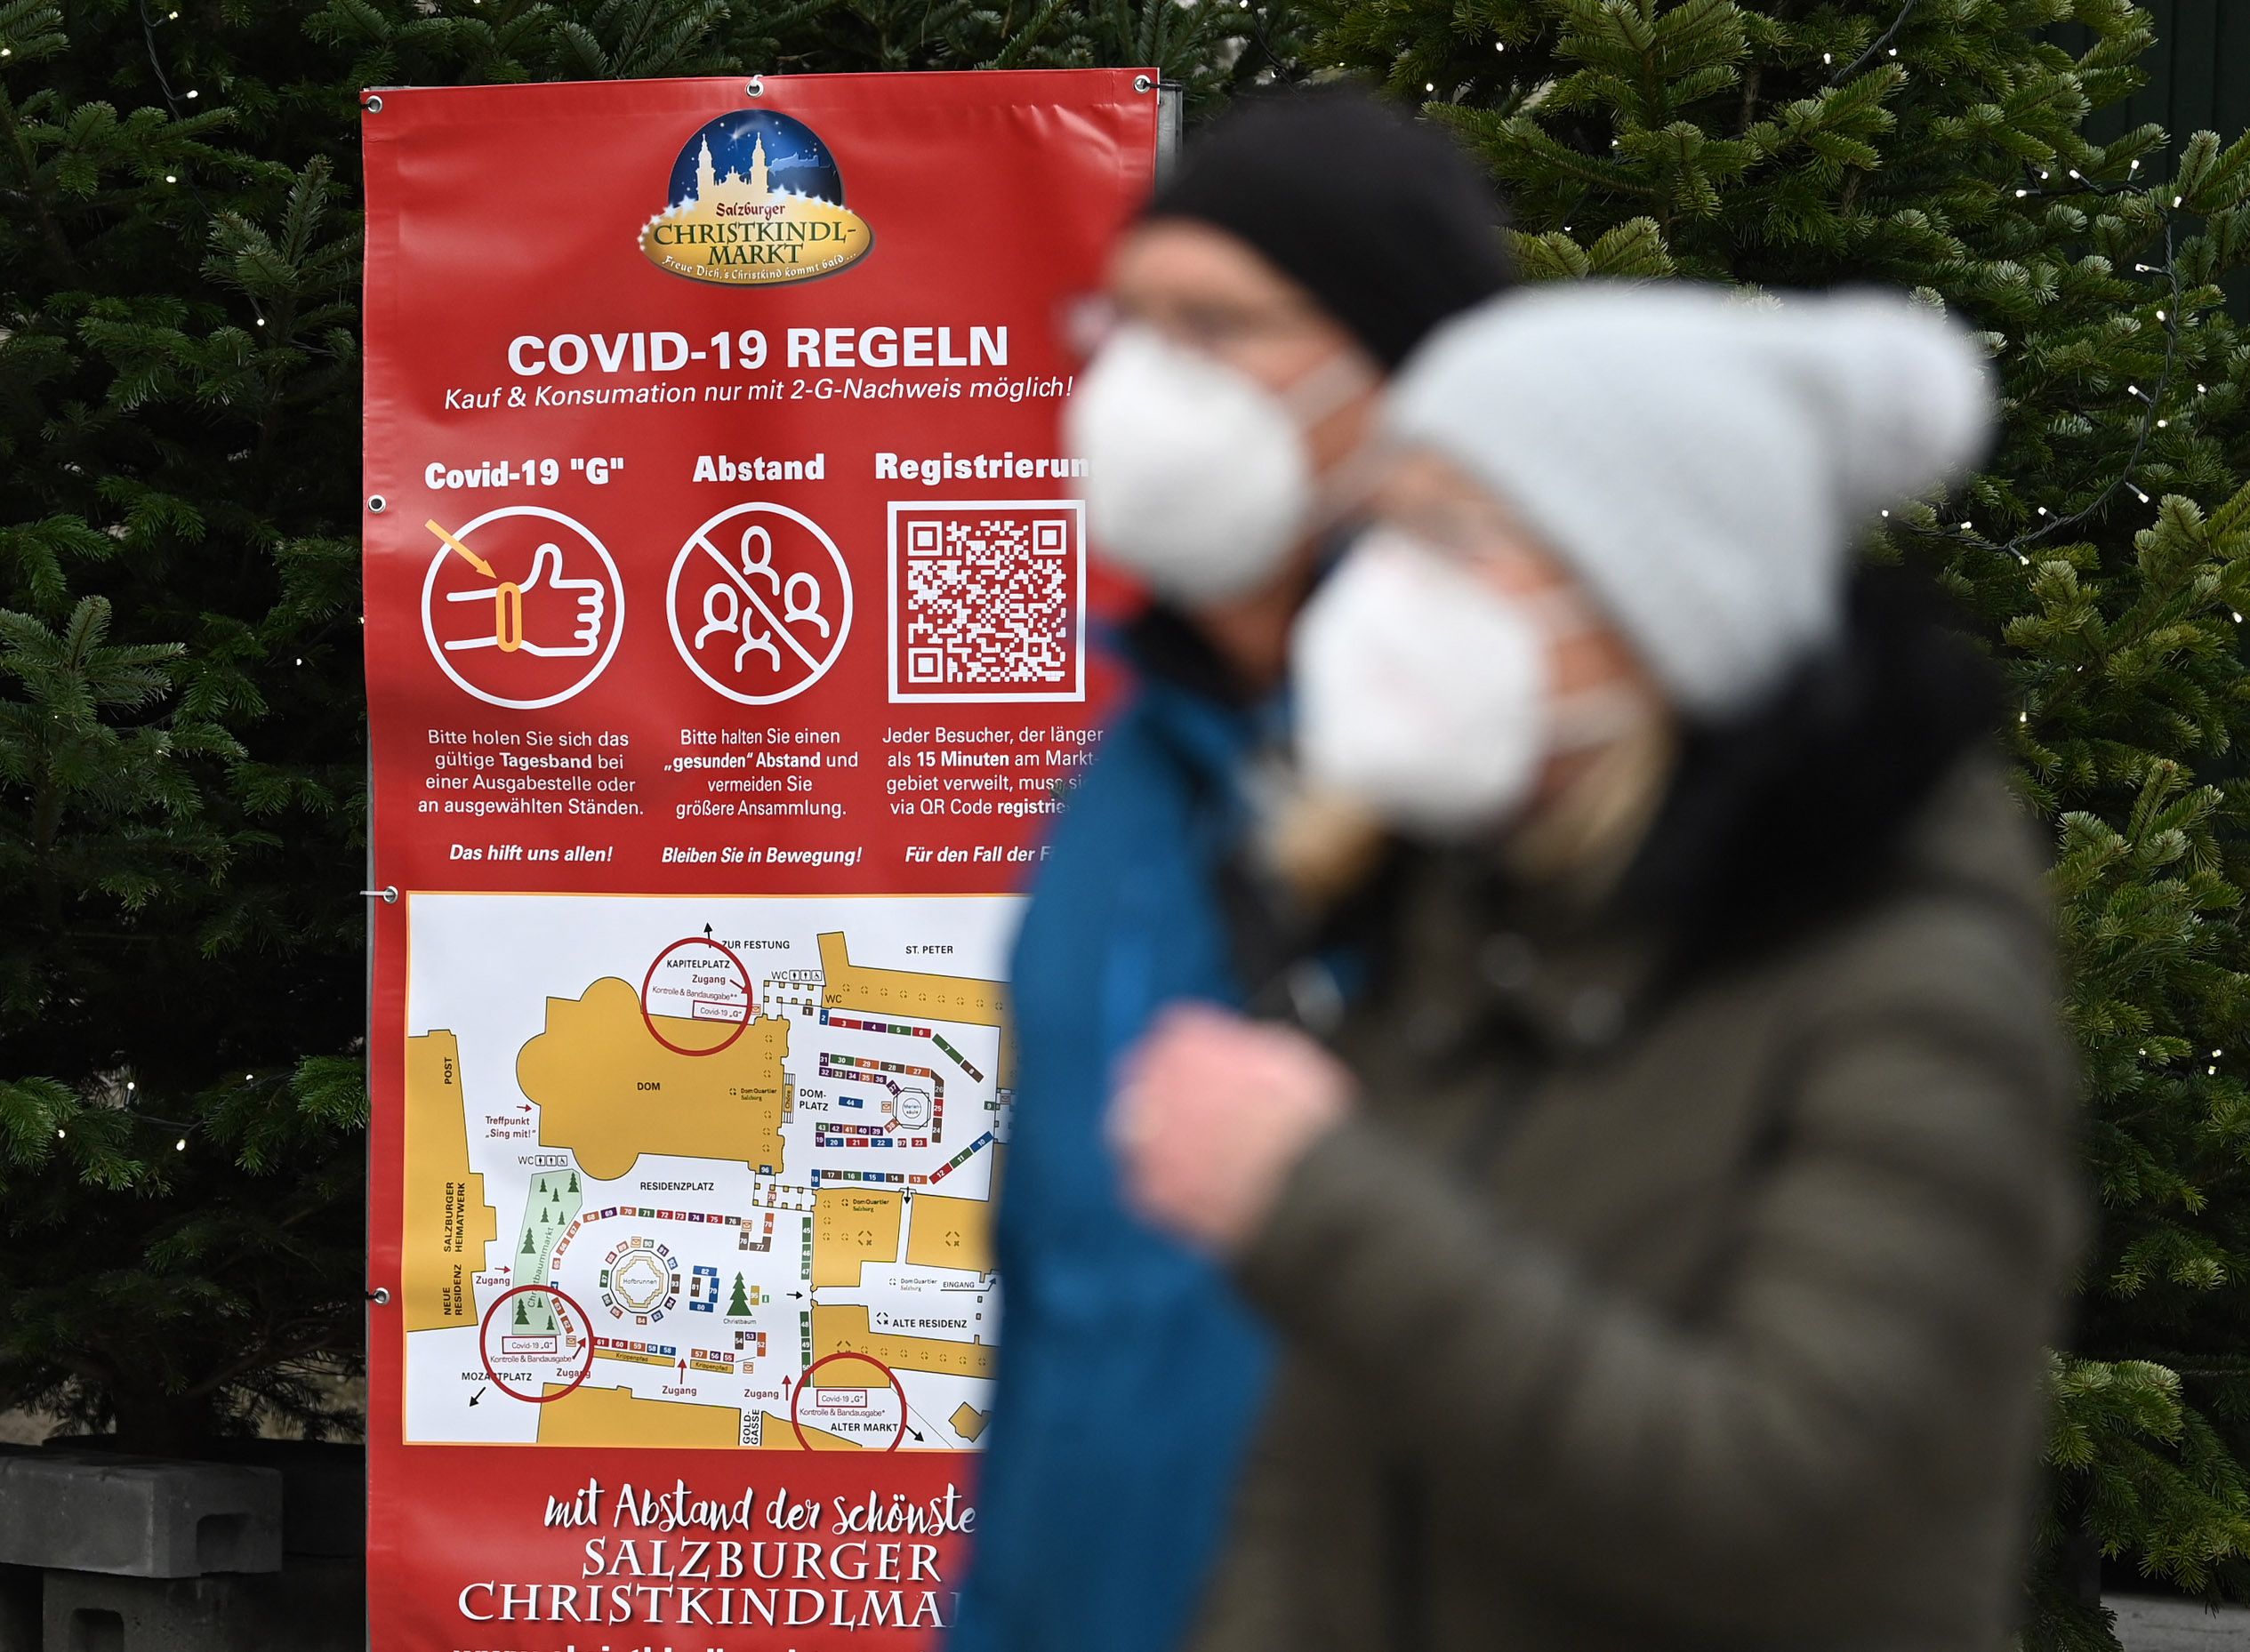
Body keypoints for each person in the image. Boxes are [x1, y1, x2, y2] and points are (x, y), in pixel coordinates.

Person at [1107, 284, 2086, 1650]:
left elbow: (1797, 1506)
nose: (1382, 598)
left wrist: (1318, 1204)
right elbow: (1315, 1482)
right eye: (1380, 531)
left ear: (1657, 595)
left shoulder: (1903, 987)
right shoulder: (1453, 926)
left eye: (1454, 535)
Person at [950, 89, 1512, 1652]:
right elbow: (1052, 1322)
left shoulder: (1527, 778)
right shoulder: (1123, 787)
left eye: (1215, 325)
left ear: (1396, 368)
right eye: (1126, 324)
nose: (1144, 383)